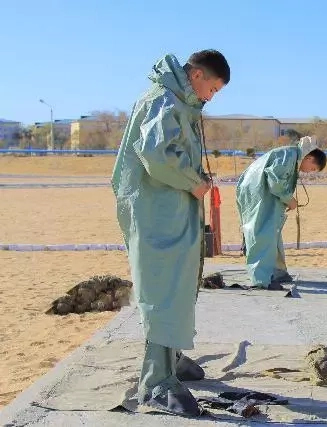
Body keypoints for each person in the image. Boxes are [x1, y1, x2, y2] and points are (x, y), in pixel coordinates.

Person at [112, 50, 230, 416]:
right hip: (157, 215)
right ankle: (157, 383)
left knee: (178, 287)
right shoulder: (163, 100)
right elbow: (155, 153)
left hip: (171, 210)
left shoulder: (178, 102)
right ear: (196, 75)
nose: (211, 96)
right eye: (212, 87)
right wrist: (194, 182)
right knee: (164, 292)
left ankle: (171, 358)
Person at [236, 136, 327, 289]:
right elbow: (274, 180)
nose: (309, 172)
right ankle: (260, 280)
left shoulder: (291, 157)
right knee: (263, 234)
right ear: (309, 158)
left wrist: (286, 199)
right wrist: (288, 199)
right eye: (312, 169)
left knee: (272, 232)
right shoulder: (289, 156)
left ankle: (276, 273)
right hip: (257, 194)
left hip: (261, 194)